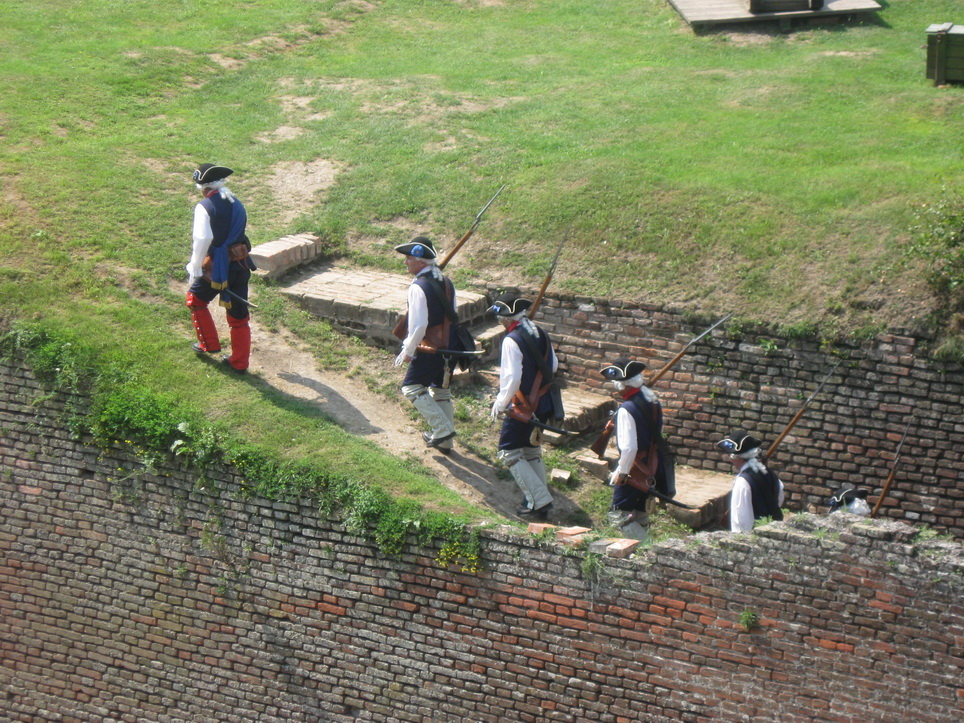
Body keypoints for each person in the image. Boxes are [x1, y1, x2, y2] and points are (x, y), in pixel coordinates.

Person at [489, 292, 560, 519]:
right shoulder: (540, 332)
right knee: (530, 450)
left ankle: (539, 500)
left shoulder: (511, 340)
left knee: (508, 452)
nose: (499, 321)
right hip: (545, 402)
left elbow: (511, 379)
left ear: (509, 318)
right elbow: (554, 365)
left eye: (501, 317)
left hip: (525, 407)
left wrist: (500, 404)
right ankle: (536, 500)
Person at [185, 163, 255, 373]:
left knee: (195, 300)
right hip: (240, 263)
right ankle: (240, 362)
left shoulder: (204, 206)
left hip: (217, 267)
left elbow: (202, 239)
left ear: (203, 188)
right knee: (239, 316)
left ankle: (209, 344)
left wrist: (195, 266)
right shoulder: (237, 203)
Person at [393, 236, 460, 454]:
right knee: (440, 391)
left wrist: (407, 351)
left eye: (409, 258)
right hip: (450, 345)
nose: (406, 262)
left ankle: (441, 430)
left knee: (410, 387)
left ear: (421, 262)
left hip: (431, 347)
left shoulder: (418, 287)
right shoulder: (446, 281)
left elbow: (419, 326)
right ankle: (445, 443)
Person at [599, 357, 671, 541]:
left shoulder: (627, 409)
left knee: (617, 515)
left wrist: (621, 473)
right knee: (640, 513)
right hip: (653, 465)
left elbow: (629, 447)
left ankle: (648, 550)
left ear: (621, 385)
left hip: (634, 469)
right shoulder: (652, 400)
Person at [717, 431, 784, 532]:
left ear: (737, 458)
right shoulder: (770, 473)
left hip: (755, 536)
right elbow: (779, 500)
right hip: (774, 530)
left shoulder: (742, 482)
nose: (730, 460)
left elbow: (740, 521)